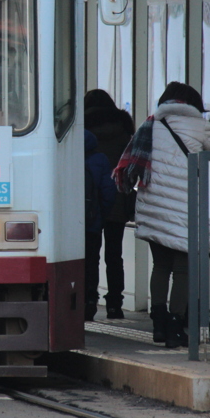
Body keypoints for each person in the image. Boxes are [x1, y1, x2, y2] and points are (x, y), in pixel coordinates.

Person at [114, 82, 210, 348]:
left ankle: (159, 325)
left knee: (160, 266)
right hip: (186, 206)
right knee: (182, 269)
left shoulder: (151, 124)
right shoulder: (200, 126)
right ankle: (176, 327)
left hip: (154, 206)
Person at [83, 89, 135, 319]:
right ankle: (115, 303)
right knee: (115, 255)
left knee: (90, 256)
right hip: (118, 199)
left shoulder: (82, 134)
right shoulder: (124, 129)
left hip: (89, 204)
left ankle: (89, 302)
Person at [84, 129, 118, 321]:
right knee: (91, 262)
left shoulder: (63, 156)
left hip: (66, 226)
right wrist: (99, 217)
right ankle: (89, 301)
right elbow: (108, 193)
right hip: (92, 223)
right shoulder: (100, 159)